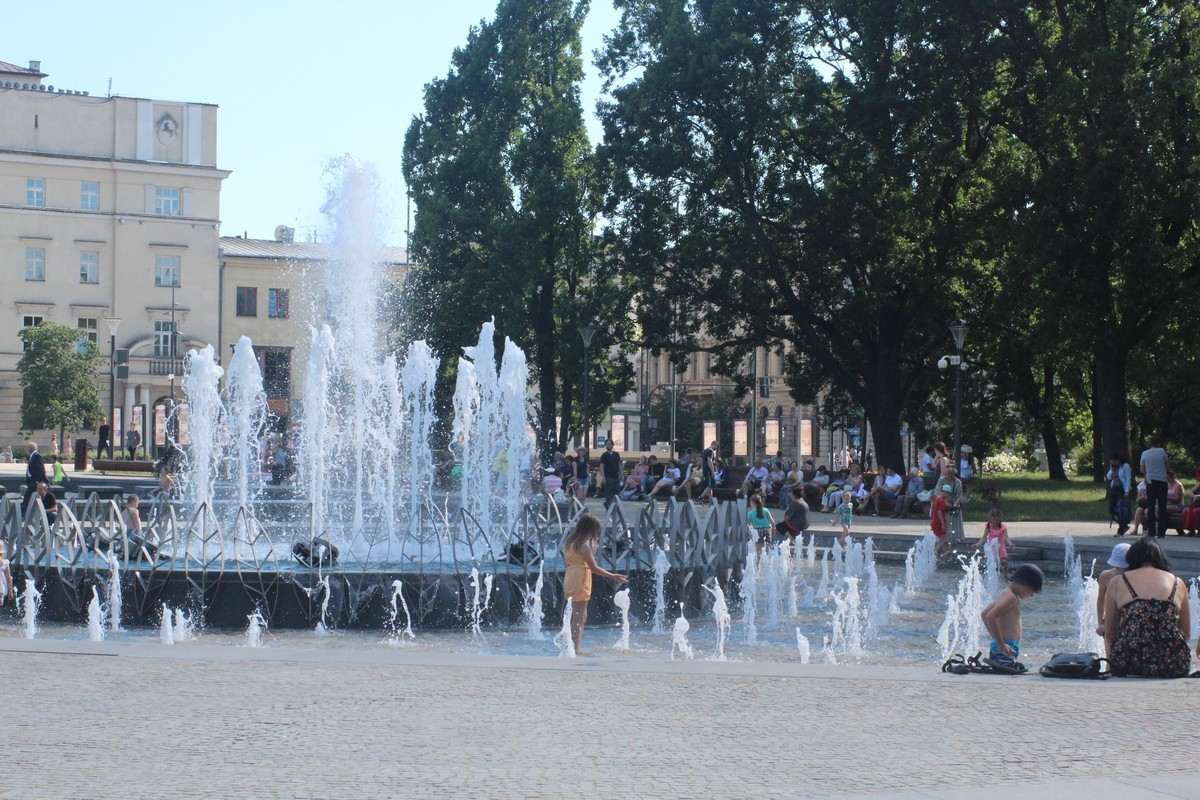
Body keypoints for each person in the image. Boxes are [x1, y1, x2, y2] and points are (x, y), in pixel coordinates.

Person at [1102, 536, 1192, 678]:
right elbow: (1186, 633)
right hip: (1173, 663)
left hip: (1129, 661)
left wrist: (1110, 664)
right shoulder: (1177, 583)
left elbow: (1110, 633)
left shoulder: (1119, 581)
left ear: (1131, 558)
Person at [561, 513, 626, 655]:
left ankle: (572, 645)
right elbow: (594, 568)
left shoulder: (570, 542)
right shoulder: (584, 546)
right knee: (579, 615)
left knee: (577, 614)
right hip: (581, 578)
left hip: (570, 576)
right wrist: (613, 576)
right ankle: (575, 648)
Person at [980, 564, 1044, 663]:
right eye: (1032, 591)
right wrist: (1001, 644)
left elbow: (984, 614)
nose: (1031, 595)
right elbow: (990, 616)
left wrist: (996, 640)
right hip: (1004, 650)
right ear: (1025, 584)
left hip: (1004, 647)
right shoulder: (1011, 598)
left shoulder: (1006, 593)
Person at [1095, 542, 1131, 636]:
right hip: (1111, 616)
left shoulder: (1136, 576)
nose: (1123, 569)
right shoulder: (1106, 576)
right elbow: (1101, 600)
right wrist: (1100, 623)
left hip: (1130, 616)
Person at [1139, 436, 1169, 539]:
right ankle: (1161, 532)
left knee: (1151, 507)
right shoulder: (1162, 452)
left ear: (1150, 444)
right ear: (1159, 444)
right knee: (1162, 507)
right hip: (1162, 481)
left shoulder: (1145, 453)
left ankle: (1151, 532)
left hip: (1150, 482)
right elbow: (1166, 466)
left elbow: (1142, 470)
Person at [977, 507, 1010, 577]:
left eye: (997, 516)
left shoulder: (1003, 527)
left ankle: (1005, 576)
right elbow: (984, 537)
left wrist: (1010, 543)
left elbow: (1006, 537)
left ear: (1000, 518)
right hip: (992, 549)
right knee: (992, 564)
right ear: (990, 518)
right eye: (993, 516)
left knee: (1004, 562)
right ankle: (992, 576)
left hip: (1001, 549)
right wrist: (978, 544)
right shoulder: (988, 526)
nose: (995, 518)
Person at [1106, 454, 1133, 536]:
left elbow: (1128, 478)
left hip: (1122, 489)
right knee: (1112, 509)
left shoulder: (1125, 466)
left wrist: (1127, 491)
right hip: (1114, 488)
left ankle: (1121, 529)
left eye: (1114, 460)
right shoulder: (1112, 467)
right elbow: (1108, 477)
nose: (1113, 462)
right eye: (1111, 461)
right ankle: (1123, 524)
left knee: (1122, 510)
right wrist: (1112, 470)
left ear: (1118, 460)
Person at [22, 440, 46, 511]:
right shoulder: (33, 456)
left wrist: (37, 481)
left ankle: (23, 511)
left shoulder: (37, 456)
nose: (26, 449)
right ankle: (27, 510)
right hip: (32, 480)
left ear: (30, 449)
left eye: (27, 448)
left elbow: (41, 470)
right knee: (30, 496)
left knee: (27, 496)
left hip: (35, 481)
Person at [600, 440, 622, 508]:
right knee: (609, 494)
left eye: (609, 444)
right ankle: (608, 505)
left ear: (612, 445)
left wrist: (621, 473)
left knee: (616, 493)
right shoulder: (604, 455)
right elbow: (602, 466)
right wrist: (603, 477)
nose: (608, 445)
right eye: (607, 444)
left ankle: (615, 506)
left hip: (616, 476)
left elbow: (619, 464)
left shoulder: (616, 454)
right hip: (608, 477)